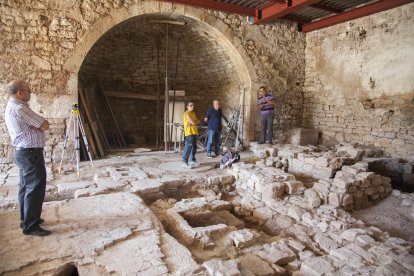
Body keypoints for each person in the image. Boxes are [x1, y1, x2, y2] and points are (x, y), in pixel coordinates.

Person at [4, 80, 51, 236]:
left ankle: (27, 218)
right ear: (20, 93)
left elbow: (40, 125)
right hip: (30, 153)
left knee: (26, 187)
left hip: (24, 152)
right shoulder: (20, 108)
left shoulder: (13, 106)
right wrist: (38, 125)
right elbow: (45, 125)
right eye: (28, 91)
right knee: (35, 188)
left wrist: (36, 125)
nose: (30, 93)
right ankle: (31, 225)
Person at [182, 101, 199, 169]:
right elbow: (193, 122)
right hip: (189, 133)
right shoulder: (186, 113)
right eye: (191, 105)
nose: (192, 106)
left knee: (194, 147)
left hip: (194, 132)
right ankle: (184, 162)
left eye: (193, 105)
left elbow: (197, 121)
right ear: (187, 107)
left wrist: (193, 122)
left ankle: (192, 160)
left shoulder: (193, 113)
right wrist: (193, 122)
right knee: (188, 147)